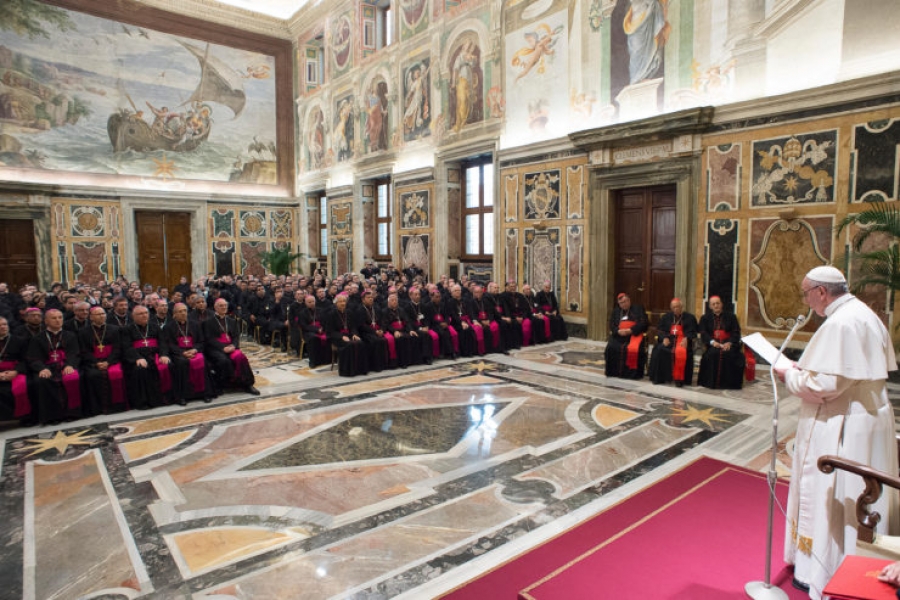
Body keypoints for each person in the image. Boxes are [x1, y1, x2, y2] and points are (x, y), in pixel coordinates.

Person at [774, 266, 898, 597]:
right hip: (868, 419)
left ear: (821, 292)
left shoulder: (841, 322)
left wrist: (789, 374)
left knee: (838, 497)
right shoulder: (862, 313)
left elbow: (825, 384)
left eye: (806, 293)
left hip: (845, 424)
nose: (806, 301)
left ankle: (828, 570)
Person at [27, 309, 82, 424]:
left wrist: (70, 365)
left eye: (60, 317)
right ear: (46, 321)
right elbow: (34, 358)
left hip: (65, 366)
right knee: (42, 381)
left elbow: (75, 353)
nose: (58, 320)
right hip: (47, 367)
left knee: (72, 377)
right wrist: (42, 368)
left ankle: (72, 413)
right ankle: (52, 417)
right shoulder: (37, 338)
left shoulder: (70, 335)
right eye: (54, 318)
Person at [203, 298, 259, 395]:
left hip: (231, 346)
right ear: (215, 307)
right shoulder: (208, 322)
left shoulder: (231, 320)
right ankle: (225, 385)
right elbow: (209, 339)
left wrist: (234, 345)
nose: (224, 307)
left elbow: (236, 336)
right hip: (216, 349)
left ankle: (248, 384)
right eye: (221, 305)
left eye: (225, 305)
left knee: (240, 357)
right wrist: (222, 348)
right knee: (224, 360)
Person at [79, 306, 126, 415]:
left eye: (103, 314)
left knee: (116, 373)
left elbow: (117, 348)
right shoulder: (83, 332)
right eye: (98, 314)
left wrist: (108, 362)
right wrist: (96, 363)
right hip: (93, 362)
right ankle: (97, 408)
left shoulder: (115, 329)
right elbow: (84, 351)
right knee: (92, 375)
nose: (102, 316)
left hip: (111, 360)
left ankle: (117, 406)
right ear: (91, 317)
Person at [696, 296, 745, 389]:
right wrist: (712, 342)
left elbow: (736, 332)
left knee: (730, 355)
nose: (716, 305)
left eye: (718, 303)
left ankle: (729, 384)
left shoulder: (731, 317)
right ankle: (710, 383)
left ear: (721, 304)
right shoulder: (705, 318)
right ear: (710, 306)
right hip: (713, 344)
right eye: (713, 304)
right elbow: (703, 333)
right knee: (712, 355)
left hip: (728, 344)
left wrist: (730, 343)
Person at [648, 298, 698, 387]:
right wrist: (664, 338)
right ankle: (661, 377)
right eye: (674, 307)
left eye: (678, 307)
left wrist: (687, 338)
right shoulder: (666, 317)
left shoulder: (690, 317)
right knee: (659, 350)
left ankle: (679, 379)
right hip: (669, 341)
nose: (676, 309)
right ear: (671, 308)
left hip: (683, 341)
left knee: (681, 352)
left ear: (682, 307)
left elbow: (693, 332)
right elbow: (660, 330)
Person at [604, 293, 648, 379]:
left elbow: (644, 323)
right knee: (611, 347)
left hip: (634, 335)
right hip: (620, 335)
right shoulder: (616, 311)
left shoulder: (638, 309)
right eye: (621, 303)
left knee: (634, 349)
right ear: (619, 304)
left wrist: (631, 330)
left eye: (625, 301)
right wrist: (618, 331)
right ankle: (613, 372)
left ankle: (632, 374)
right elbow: (612, 325)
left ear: (629, 300)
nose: (624, 304)